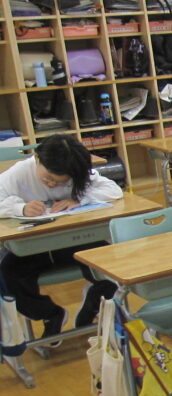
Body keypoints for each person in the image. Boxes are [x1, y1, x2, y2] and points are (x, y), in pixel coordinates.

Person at [0, 134, 122, 341]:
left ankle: (94, 302)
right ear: (37, 159)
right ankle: (50, 314)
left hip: (74, 242)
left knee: (110, 265)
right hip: (33, 248)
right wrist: (20, 208)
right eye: (47, 178)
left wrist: (79, 199)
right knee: (8, 275)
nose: (50, 185)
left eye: (59, 182)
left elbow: (113, 190)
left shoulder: (77, 173)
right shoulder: (20, 173)